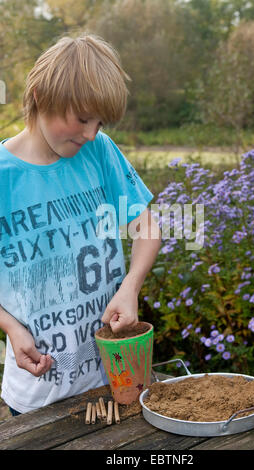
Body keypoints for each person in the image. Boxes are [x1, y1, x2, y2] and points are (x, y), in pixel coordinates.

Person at [0, 34, 161, 415]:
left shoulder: (100, 151)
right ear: (40, 95)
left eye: (100, 122)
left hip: (112, 382)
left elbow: (148, 229)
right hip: (38, 396)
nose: (91, 133)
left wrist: (130, 286)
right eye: (82, 118)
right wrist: (9, 326)